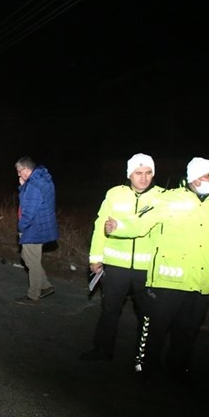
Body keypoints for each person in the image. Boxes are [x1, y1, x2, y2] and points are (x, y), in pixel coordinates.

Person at [105, 156, 209, 383]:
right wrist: (118, 226)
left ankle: (179, 371)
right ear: (195, 178)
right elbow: (142, 221)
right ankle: (143, 369)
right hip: (168, 280)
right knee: (155, 329)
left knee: (187, 331)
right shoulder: (170, 199)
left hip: (201, 282)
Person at [80, 153, 164, 361]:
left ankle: (143, 359)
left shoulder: (162, 198)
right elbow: (100, 226)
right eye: (138, 173)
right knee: (109, 311)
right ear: (129, 174)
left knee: (148, 316)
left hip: (148, 269)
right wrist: (95, 257)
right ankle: (102, 350)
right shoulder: (115, 194)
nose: (143, 178)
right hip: (116, 266)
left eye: (148, 173)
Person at [14, 156, 59, 304]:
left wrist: (21, 226)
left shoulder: (33, 185)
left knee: (31, 262)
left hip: (33, 228)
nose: (19, 175)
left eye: (20, 171)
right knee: (29, 258)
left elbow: (29, 210)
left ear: (27, 169)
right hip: (40, 226)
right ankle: (45, 286)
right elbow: (30, 200)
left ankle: (33, 295)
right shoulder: (42, 180)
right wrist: (23, 186)